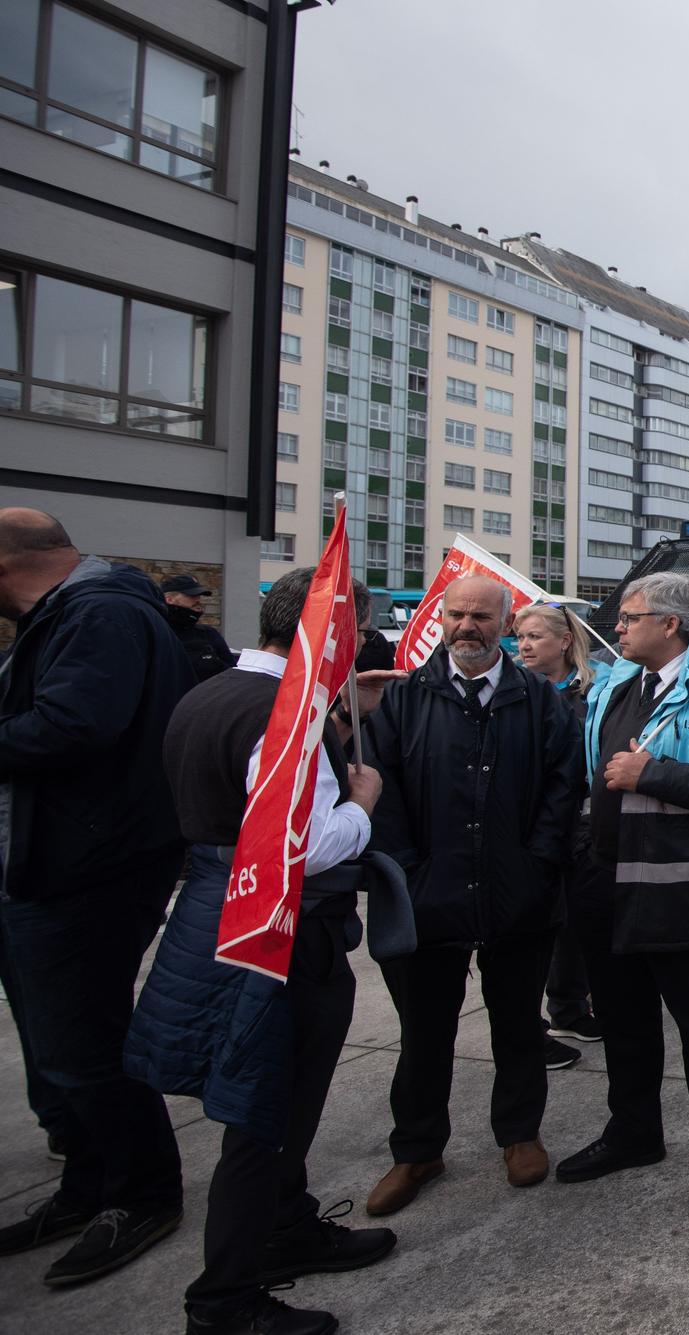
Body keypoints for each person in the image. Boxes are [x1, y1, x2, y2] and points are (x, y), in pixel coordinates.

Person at [129, 573, 403, 1335]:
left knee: (268, 1105)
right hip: (277, 929)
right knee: (263, 1115)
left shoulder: (209, 692)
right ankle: (225, 1300)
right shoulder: (285, 716)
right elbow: (307, 846)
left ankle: (287, 1224)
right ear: (336, 635)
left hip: (218, 910)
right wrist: (363, 802)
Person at [0, 509, 191, 1286]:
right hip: (50, 863)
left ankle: (142, 1193)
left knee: (86, 1045)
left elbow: (73, 725)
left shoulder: (103, 613)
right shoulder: (70, 614)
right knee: (55, 1049)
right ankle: (86, 1185)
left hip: (89, 867)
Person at [362, 576, 584, 1216]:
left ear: (505, 623)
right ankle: (417, 1150)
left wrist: (537, 862)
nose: (467, 625)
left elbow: (563, 789)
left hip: (519, 901)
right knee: (423, 1033)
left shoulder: (538, 700)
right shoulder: (405, 701)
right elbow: (381, 789)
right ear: (440, 619)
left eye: (481, 616)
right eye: (457, 613)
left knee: (518, 1027)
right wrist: (408, 869)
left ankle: (519, 1134)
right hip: (428, 900)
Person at [555, 573, 689, 1215]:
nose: (616, 628)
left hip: (685, 894)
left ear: (670, 624)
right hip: (606, 886)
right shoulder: (617, 686)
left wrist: (653, 774)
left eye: (629, 618)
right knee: (623, 1023)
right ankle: (633, 1133)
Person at [513, 602, 602, 1068]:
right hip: (525, 828)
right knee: (533, 930)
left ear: (565, 641)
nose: (523, 645)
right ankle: (530, 1031)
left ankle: (569, 1008)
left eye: (533, 636)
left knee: (574, 923)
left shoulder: (594, 689)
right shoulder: (512, 689)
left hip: (579, 824)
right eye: (520, 637)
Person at [159, 573, 235, 683]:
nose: (198, 600)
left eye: (199, 596)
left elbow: (231, 674)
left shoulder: (208, 634)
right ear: (169, 599)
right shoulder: (157, 633)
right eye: (191, 596)